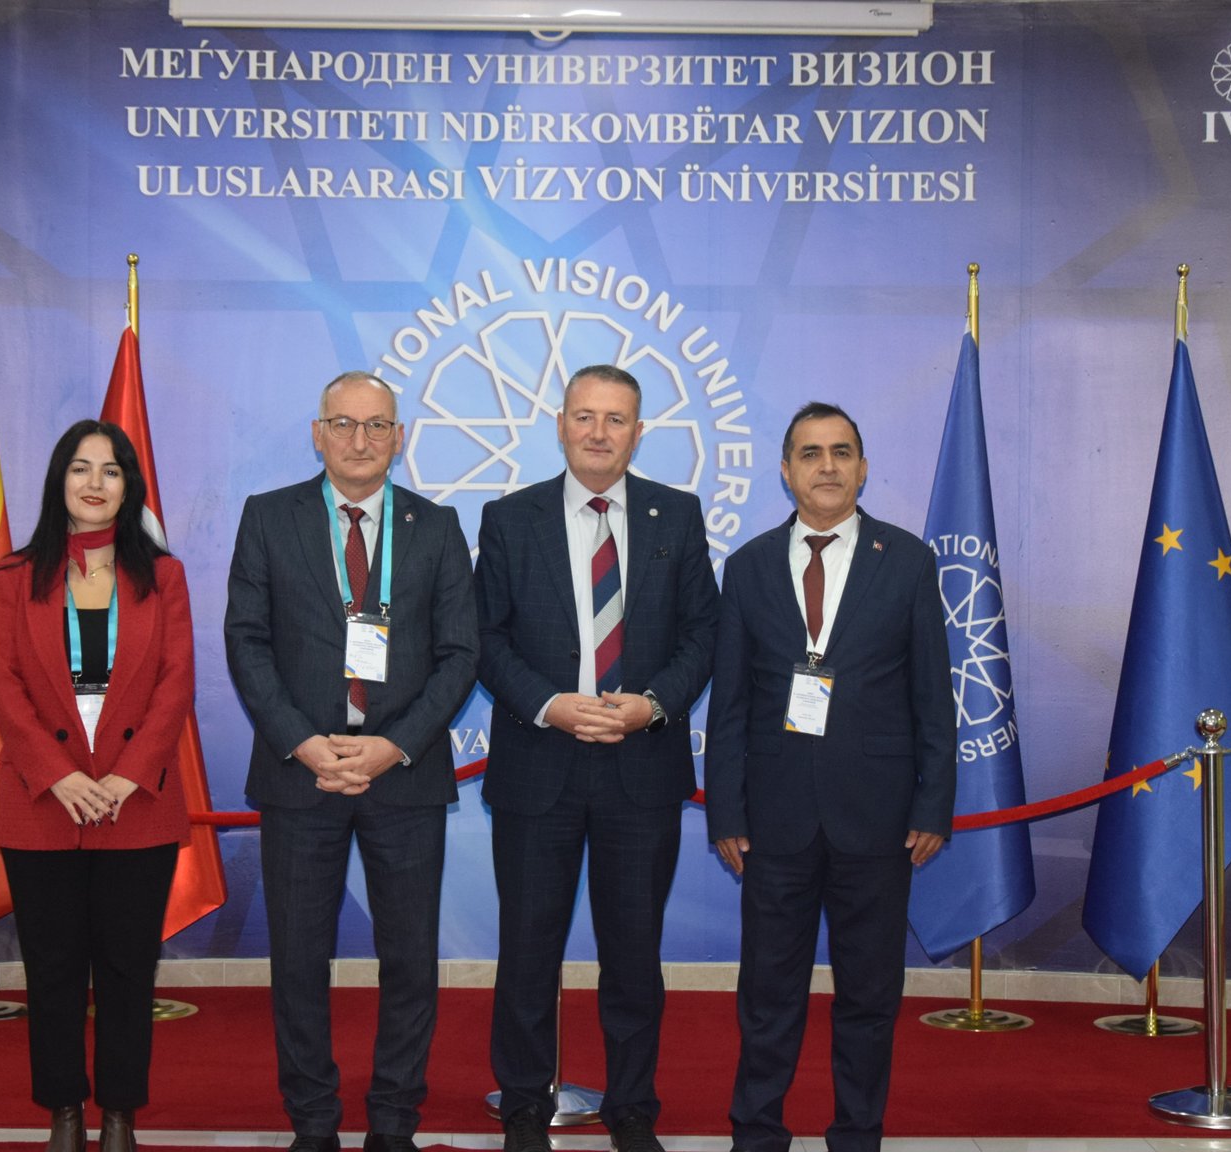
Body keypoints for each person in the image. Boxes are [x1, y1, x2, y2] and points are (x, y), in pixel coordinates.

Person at [225, 370, 478, 1152]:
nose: (359, 440)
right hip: (301, 774)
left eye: (376, 426)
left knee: (410, 961)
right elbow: (247, 641)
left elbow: (460, 653)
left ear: (400, 438)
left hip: (403, 773)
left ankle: (395, 1121)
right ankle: (313, 1122)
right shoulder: (268, 517)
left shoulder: (437, 526)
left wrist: (393, 745)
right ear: (317, 433)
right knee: (300, 961)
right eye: (343, 424)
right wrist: (304, 742)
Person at [475, 364, 719, 1152]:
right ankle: (523, 1108)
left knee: (634, 957)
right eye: (585, 416)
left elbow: (703, 634)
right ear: (560, 424)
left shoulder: (676, 515)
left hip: (641, 766)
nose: (599, 432)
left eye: (616, 419)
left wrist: (653, 703)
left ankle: (633, 1110)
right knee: (527, 951)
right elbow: (485, 637)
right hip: (538, 764)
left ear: (638, 432)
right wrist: (549, 703)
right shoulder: (510, 518)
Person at [704, 401, 955, 1152]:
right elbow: (730, 702)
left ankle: (857, 1135)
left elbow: (932, 697)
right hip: (773, 818)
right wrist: (725, 813)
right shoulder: (748, 566)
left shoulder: (906, 560)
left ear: (863, 468)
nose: (827, 466)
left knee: (870, 996)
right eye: (810, 453)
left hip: (877, 818)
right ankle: (756, 1133)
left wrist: (934, 804)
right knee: (767, 993)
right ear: (786, 471)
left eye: (841, 452)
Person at [0, 419, 195, 1152]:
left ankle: (119, 1117)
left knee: (127, 971)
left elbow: (175, 684)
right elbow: (4, 687)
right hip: (44, 803)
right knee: (52, 971)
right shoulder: (13, 576)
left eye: (111, 470)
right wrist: (61, 776)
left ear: (129, 486)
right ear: (59, 480)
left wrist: (128, 776)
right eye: (80, 468)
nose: (95, 483)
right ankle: (65, 1114)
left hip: (138, 804)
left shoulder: (164, 576)